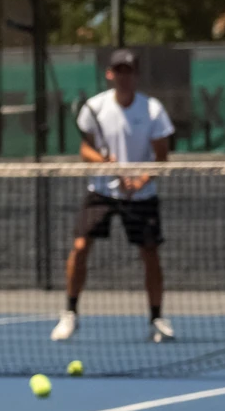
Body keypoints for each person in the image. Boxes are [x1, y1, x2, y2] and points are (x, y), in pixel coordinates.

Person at [53, 49, 174, 344]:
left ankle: (156, 318)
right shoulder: (95, 107)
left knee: (149, 253)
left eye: (128, 71)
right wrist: (103, 163)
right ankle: (70, 314)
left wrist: (140, 181)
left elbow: (162, 157)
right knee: (80, 246)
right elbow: (85, 150)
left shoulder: (153, 110)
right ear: (110, 74)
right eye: (118, 70)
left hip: (141, 195)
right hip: (102, 192)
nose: (123, 76)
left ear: (135, 75)